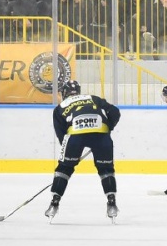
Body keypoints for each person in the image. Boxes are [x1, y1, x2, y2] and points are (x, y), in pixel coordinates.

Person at [44, 80, 122, 220]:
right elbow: (115, 112)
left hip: (75, 136)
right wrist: (106, 129)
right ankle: (111, 203)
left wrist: (70, 155)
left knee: (64, 169)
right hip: (101, 135)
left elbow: (62, 135)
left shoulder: (60, 107)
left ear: (64, 93)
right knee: (106, 170)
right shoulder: (93, 98)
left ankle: (54, 203)